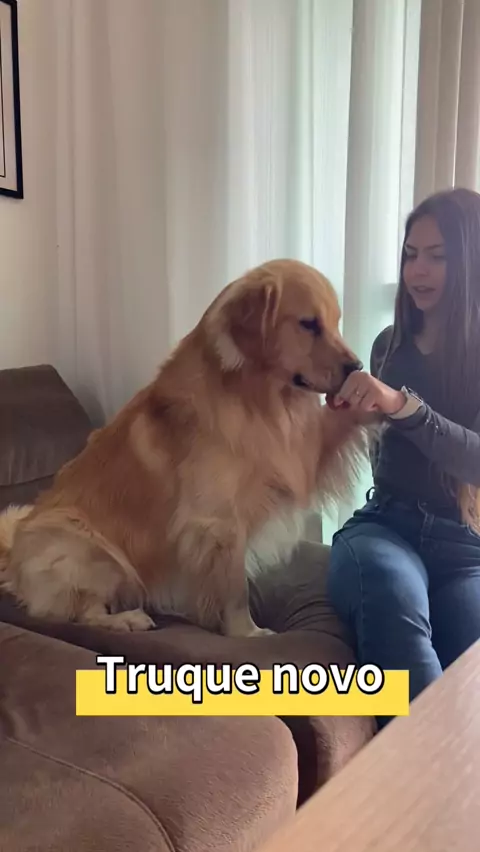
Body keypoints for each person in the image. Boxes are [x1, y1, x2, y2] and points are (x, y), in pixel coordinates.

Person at [327, 187, 480, 727]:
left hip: (465, 547)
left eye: (437, 256)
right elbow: (380, 447)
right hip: (384, 527)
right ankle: (429, 774)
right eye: (411, 254)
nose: (418, 270)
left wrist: (401, 406)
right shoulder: (388, 345)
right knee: (393, 594)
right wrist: (348, 417)